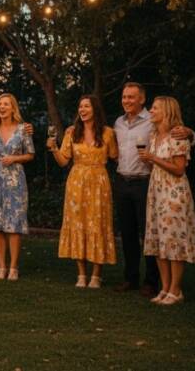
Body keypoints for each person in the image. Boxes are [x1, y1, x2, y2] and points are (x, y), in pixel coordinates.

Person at [112, 82, 195, 297]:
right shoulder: (118, 123)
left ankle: (152, 282)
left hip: (145, 182)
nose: (126, 101)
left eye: (131, 97)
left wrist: (189, 133)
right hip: (123, 180)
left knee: (148, 233)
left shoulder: (152, 121)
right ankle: (130, 278)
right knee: (129, 234)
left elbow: (179, 134)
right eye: (124, 97)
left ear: (142, 99)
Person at [47, 95, 118, 288]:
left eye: (86, 106)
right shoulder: (72, 133)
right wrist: (53, 148)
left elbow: (115, 156)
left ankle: (96, 275)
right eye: (80, 106)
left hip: (99, 183)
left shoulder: (108, 133)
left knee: (98, 224)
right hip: (76, 182)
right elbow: (63, 161)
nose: (82, 110)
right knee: (78, 223)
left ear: (95, 109)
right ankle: (81, 274)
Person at [140, 97, 195, 305]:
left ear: (166, 111)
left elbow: (179, 169)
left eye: (155, 108)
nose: (150, 111)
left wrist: (153, 158)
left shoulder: (178, 136)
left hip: (174, 194)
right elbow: (155, 166)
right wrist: (150, 161)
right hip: (156, 192)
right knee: (159, 240)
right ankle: (165, 288)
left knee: (174, 240)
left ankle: (176, 290)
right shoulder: (154, 135)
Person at [0, 93, 34, 281]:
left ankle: (13, 267)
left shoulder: (23, 129)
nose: (2, 107)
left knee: (14, 223)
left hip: (16, 177)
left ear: (13, 108)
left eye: (6, 104)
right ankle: (1, 267)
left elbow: (30, 154)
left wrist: (15, 158)